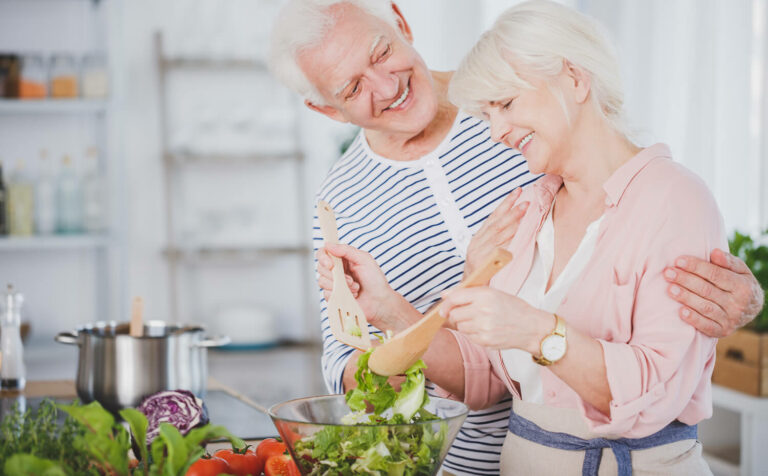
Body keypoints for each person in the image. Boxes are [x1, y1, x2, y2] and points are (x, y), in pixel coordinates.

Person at [269, 1, 765, 474]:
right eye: (352, 87)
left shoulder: (527, 110)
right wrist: (391, 314)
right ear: (327, 110)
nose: (385, 84)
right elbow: (362, 366)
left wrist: (736, 292)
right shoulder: (344, 200)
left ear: (400, 20)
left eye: (380, 53)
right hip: (462, 461)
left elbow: (647, 201)